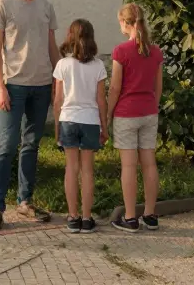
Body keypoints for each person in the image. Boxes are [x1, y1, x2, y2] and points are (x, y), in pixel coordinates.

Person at [0, 0, 60, 232]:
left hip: (41, 84)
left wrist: (59, 79)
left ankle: (25, 202)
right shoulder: (4, 5)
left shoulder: (46, 6)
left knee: (32, 145)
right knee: (6, 145)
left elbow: (52, 46)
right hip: (13, 85)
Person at [107, 2, 164, 233]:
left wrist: (108, 114)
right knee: (149, 163)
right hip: (149, 111)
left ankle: (130, 218)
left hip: (126, 114)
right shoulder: (156, 51)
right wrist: (153, 105)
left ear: (125, 23)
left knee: (128, 166)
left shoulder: (121, 51)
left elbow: (114, 88)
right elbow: (158, 87)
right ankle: (150, 215)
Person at [52, 19, 109, 233]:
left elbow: (57, 101)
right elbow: (101, 100)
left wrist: (57, 129)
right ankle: (86, 218)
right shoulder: (98, 66)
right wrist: (105, 127)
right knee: (87, 171)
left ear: (70, 37)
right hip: (90, 120)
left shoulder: (62, 65)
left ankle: (72, 217)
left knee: (71, 169)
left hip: (68, 119)